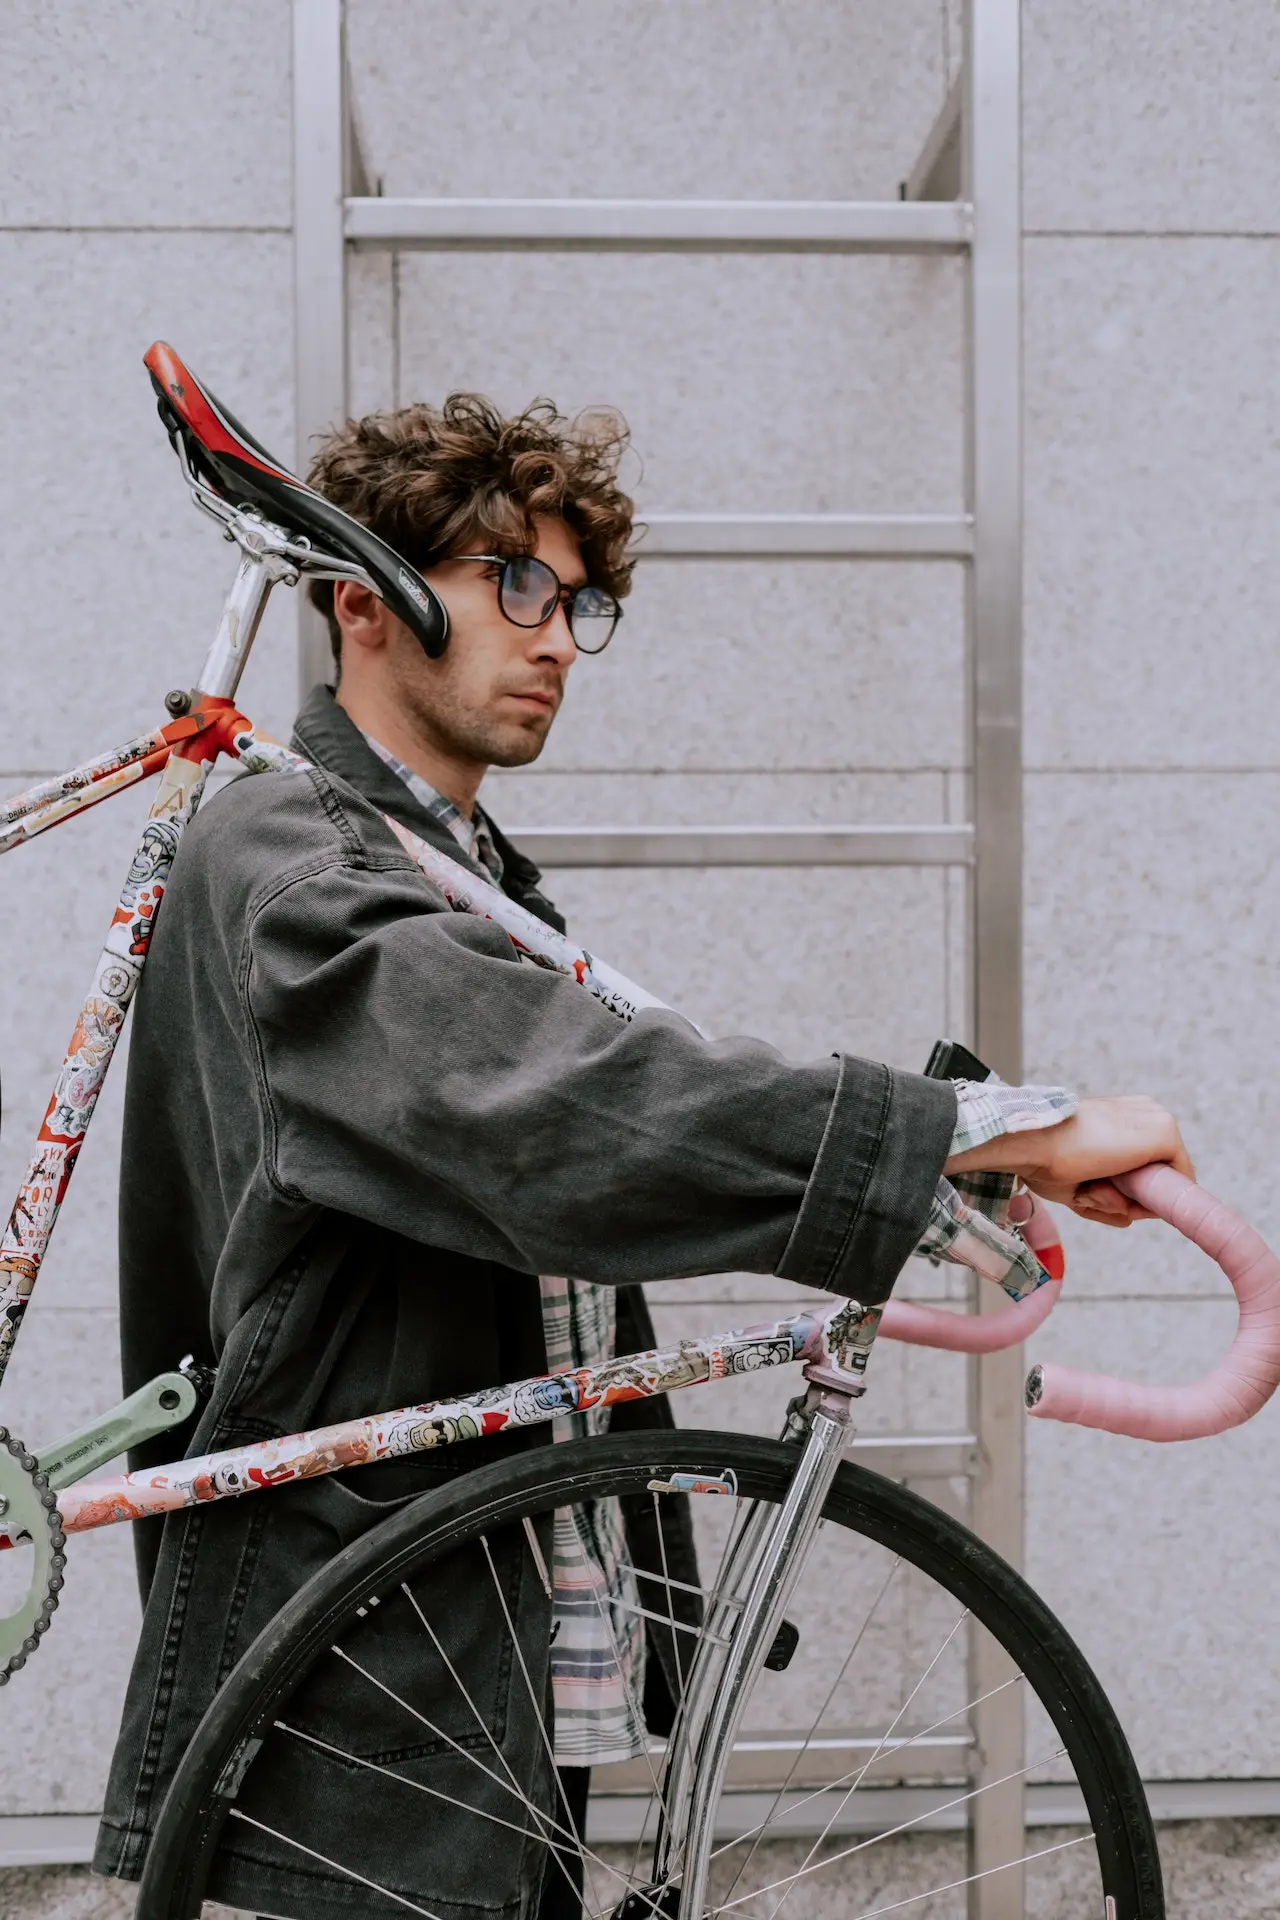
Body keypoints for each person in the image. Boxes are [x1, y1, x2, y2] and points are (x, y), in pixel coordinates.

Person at [94, 392, 1191, 1918]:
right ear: (363, 599)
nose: (556, 636)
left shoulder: (458, 871)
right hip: (360, 1626)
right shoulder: (290, 860)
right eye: (511, 584)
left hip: (481, 1613)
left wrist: (953, 1164)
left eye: (580, 600)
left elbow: (613, 1110)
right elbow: (549, 1108)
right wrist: (981, 1127)